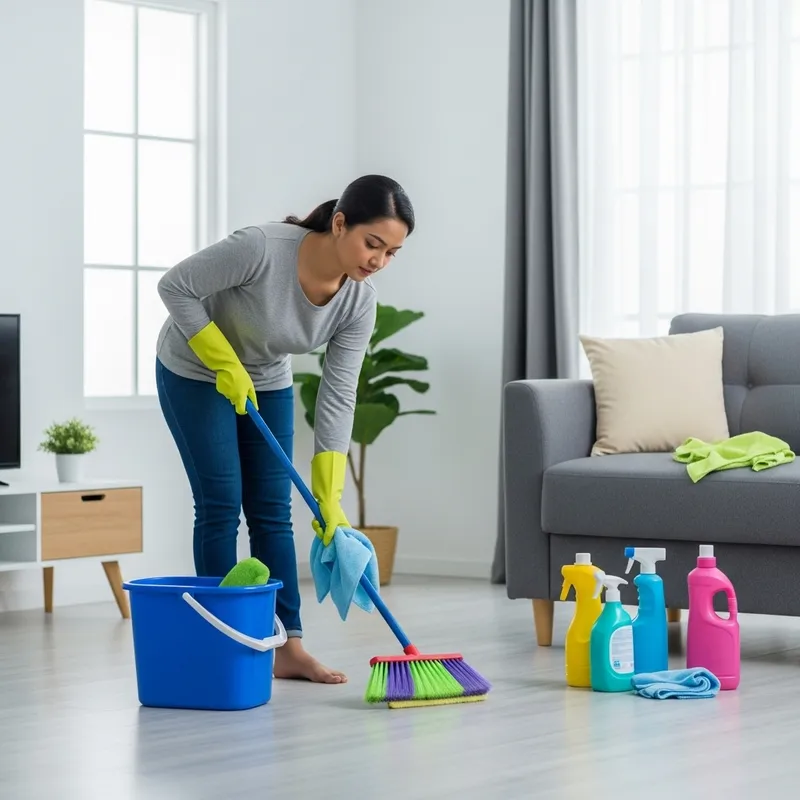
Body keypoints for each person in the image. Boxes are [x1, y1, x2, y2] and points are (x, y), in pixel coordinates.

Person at [154, 174, 414, 684]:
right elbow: (175, 286)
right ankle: (219, 637)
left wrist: (330, 497)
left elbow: (339, 396)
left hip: (266, 378)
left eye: (392, 252)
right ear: (340, 224)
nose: (378, 260)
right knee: (221, 502)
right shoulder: (261, 249)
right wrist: (220, 359)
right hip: (193, 369)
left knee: (273, 510)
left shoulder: (359, 302)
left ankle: (287, 646)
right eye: (372, 243)